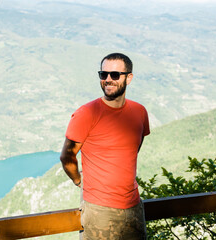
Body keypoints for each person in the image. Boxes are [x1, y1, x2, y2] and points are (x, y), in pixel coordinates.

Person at [60, 53, 150, 240]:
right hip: (99, 211)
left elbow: (134, 149)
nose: (108, 80)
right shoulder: (86, 114)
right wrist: (79, 182)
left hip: (133, 207)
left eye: (115, 75)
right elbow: (67, 157)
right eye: (103, 74)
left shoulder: (140, 112)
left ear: (129, 78)